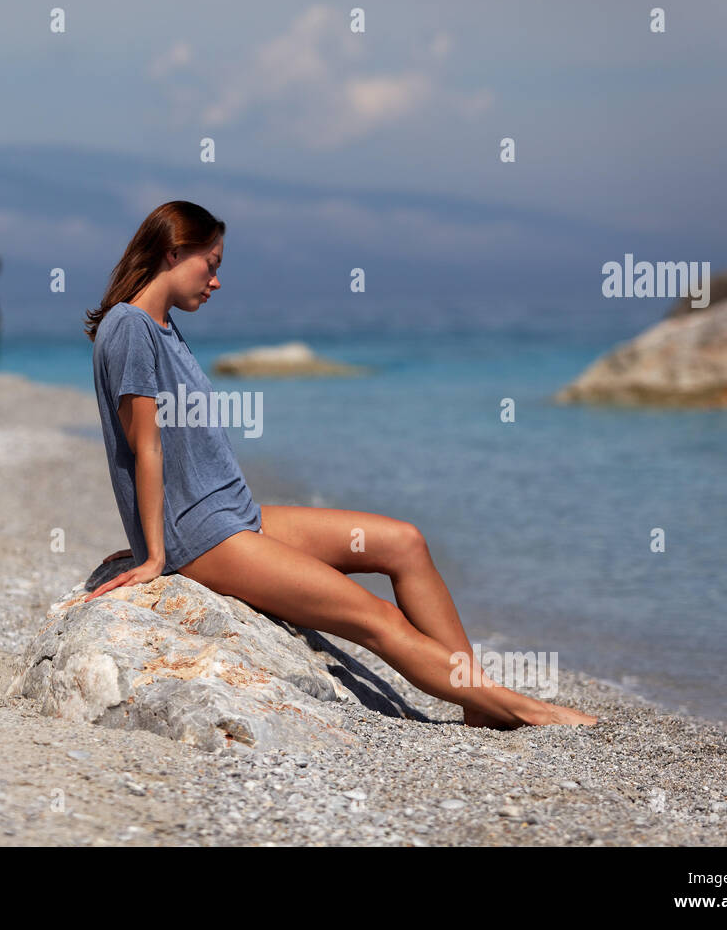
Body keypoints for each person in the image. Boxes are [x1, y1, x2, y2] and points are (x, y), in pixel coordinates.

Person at [83, 200, 596, 729]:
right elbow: (145, 446)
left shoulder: (163, 326)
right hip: (205, 538)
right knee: (376, 618)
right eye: (210, 264)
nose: (216, 281)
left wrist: (152, 539)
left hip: (235, 517)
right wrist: (154, 554)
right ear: (173, 252)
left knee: (405, 542)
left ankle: (475, 704)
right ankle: (522, 709)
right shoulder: (131, 327)